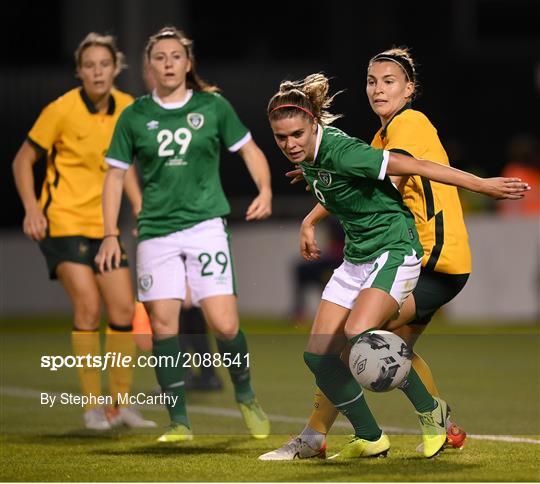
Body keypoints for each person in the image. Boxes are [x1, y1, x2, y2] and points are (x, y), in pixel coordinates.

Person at [260, 73, 528, 460]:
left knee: (359, 334)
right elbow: (342, 190)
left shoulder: (346, 150)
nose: (290, 144)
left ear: (314, 125)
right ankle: (369, 437)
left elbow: (414, 166)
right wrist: (309, 218)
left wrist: (481, 185)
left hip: (394, 251)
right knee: (317, 356)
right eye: (281, 138)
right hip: (357, 259)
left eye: (297, 135)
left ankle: (432, 412)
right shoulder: (313, 159)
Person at [95, 26, 272, 442]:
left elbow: (249, 149)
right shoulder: (134, 115)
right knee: (162, 326)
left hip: (206, 228)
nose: (169, 63)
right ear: (149, 66)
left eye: (176, 56)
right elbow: (114, 177)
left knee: (225, 325)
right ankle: (179, 421)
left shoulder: (212, 107)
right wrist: (108, 233)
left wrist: (264, 189)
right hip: (156, 232)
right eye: (160, 57)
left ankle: (245, 395)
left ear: (188, 63)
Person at [12, 33, 155, 431]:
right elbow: (23, 160)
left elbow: (121, 167)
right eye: (89, 65)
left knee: (124, 311)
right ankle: (93, 406)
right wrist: (30, 209)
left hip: (105, 229)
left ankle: (120, 405)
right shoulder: (59, 110)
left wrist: (140, 205)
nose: (97, 71)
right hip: (62, 223)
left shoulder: (128, 107)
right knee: (89, 307)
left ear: (115, 69)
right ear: (79, 71)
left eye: (103, 65)